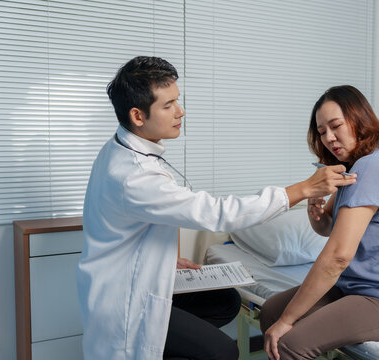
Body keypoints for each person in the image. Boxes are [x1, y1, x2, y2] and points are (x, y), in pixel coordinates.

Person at [76, 56, 356, 360]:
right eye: (168, 105)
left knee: (225, 301)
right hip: (127, 305)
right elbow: (216, 213)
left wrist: (162, 260)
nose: (180, 112)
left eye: (178, 101)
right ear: (138, 116)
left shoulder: (121, 147)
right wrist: (304, 189)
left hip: (137, 280)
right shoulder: (132, 175)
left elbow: (133, 225)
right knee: (222, 352)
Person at [260, 85, 379, 360]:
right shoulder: (355, 168)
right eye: (322, 132)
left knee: (288, 340)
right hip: (355, 289)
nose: (329, 138)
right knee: (272, 310)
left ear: (358, 119)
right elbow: (327, 228)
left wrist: (288, 321)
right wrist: (315, 213)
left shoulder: (374, 167)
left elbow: (338, 257)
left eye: (335, 126)